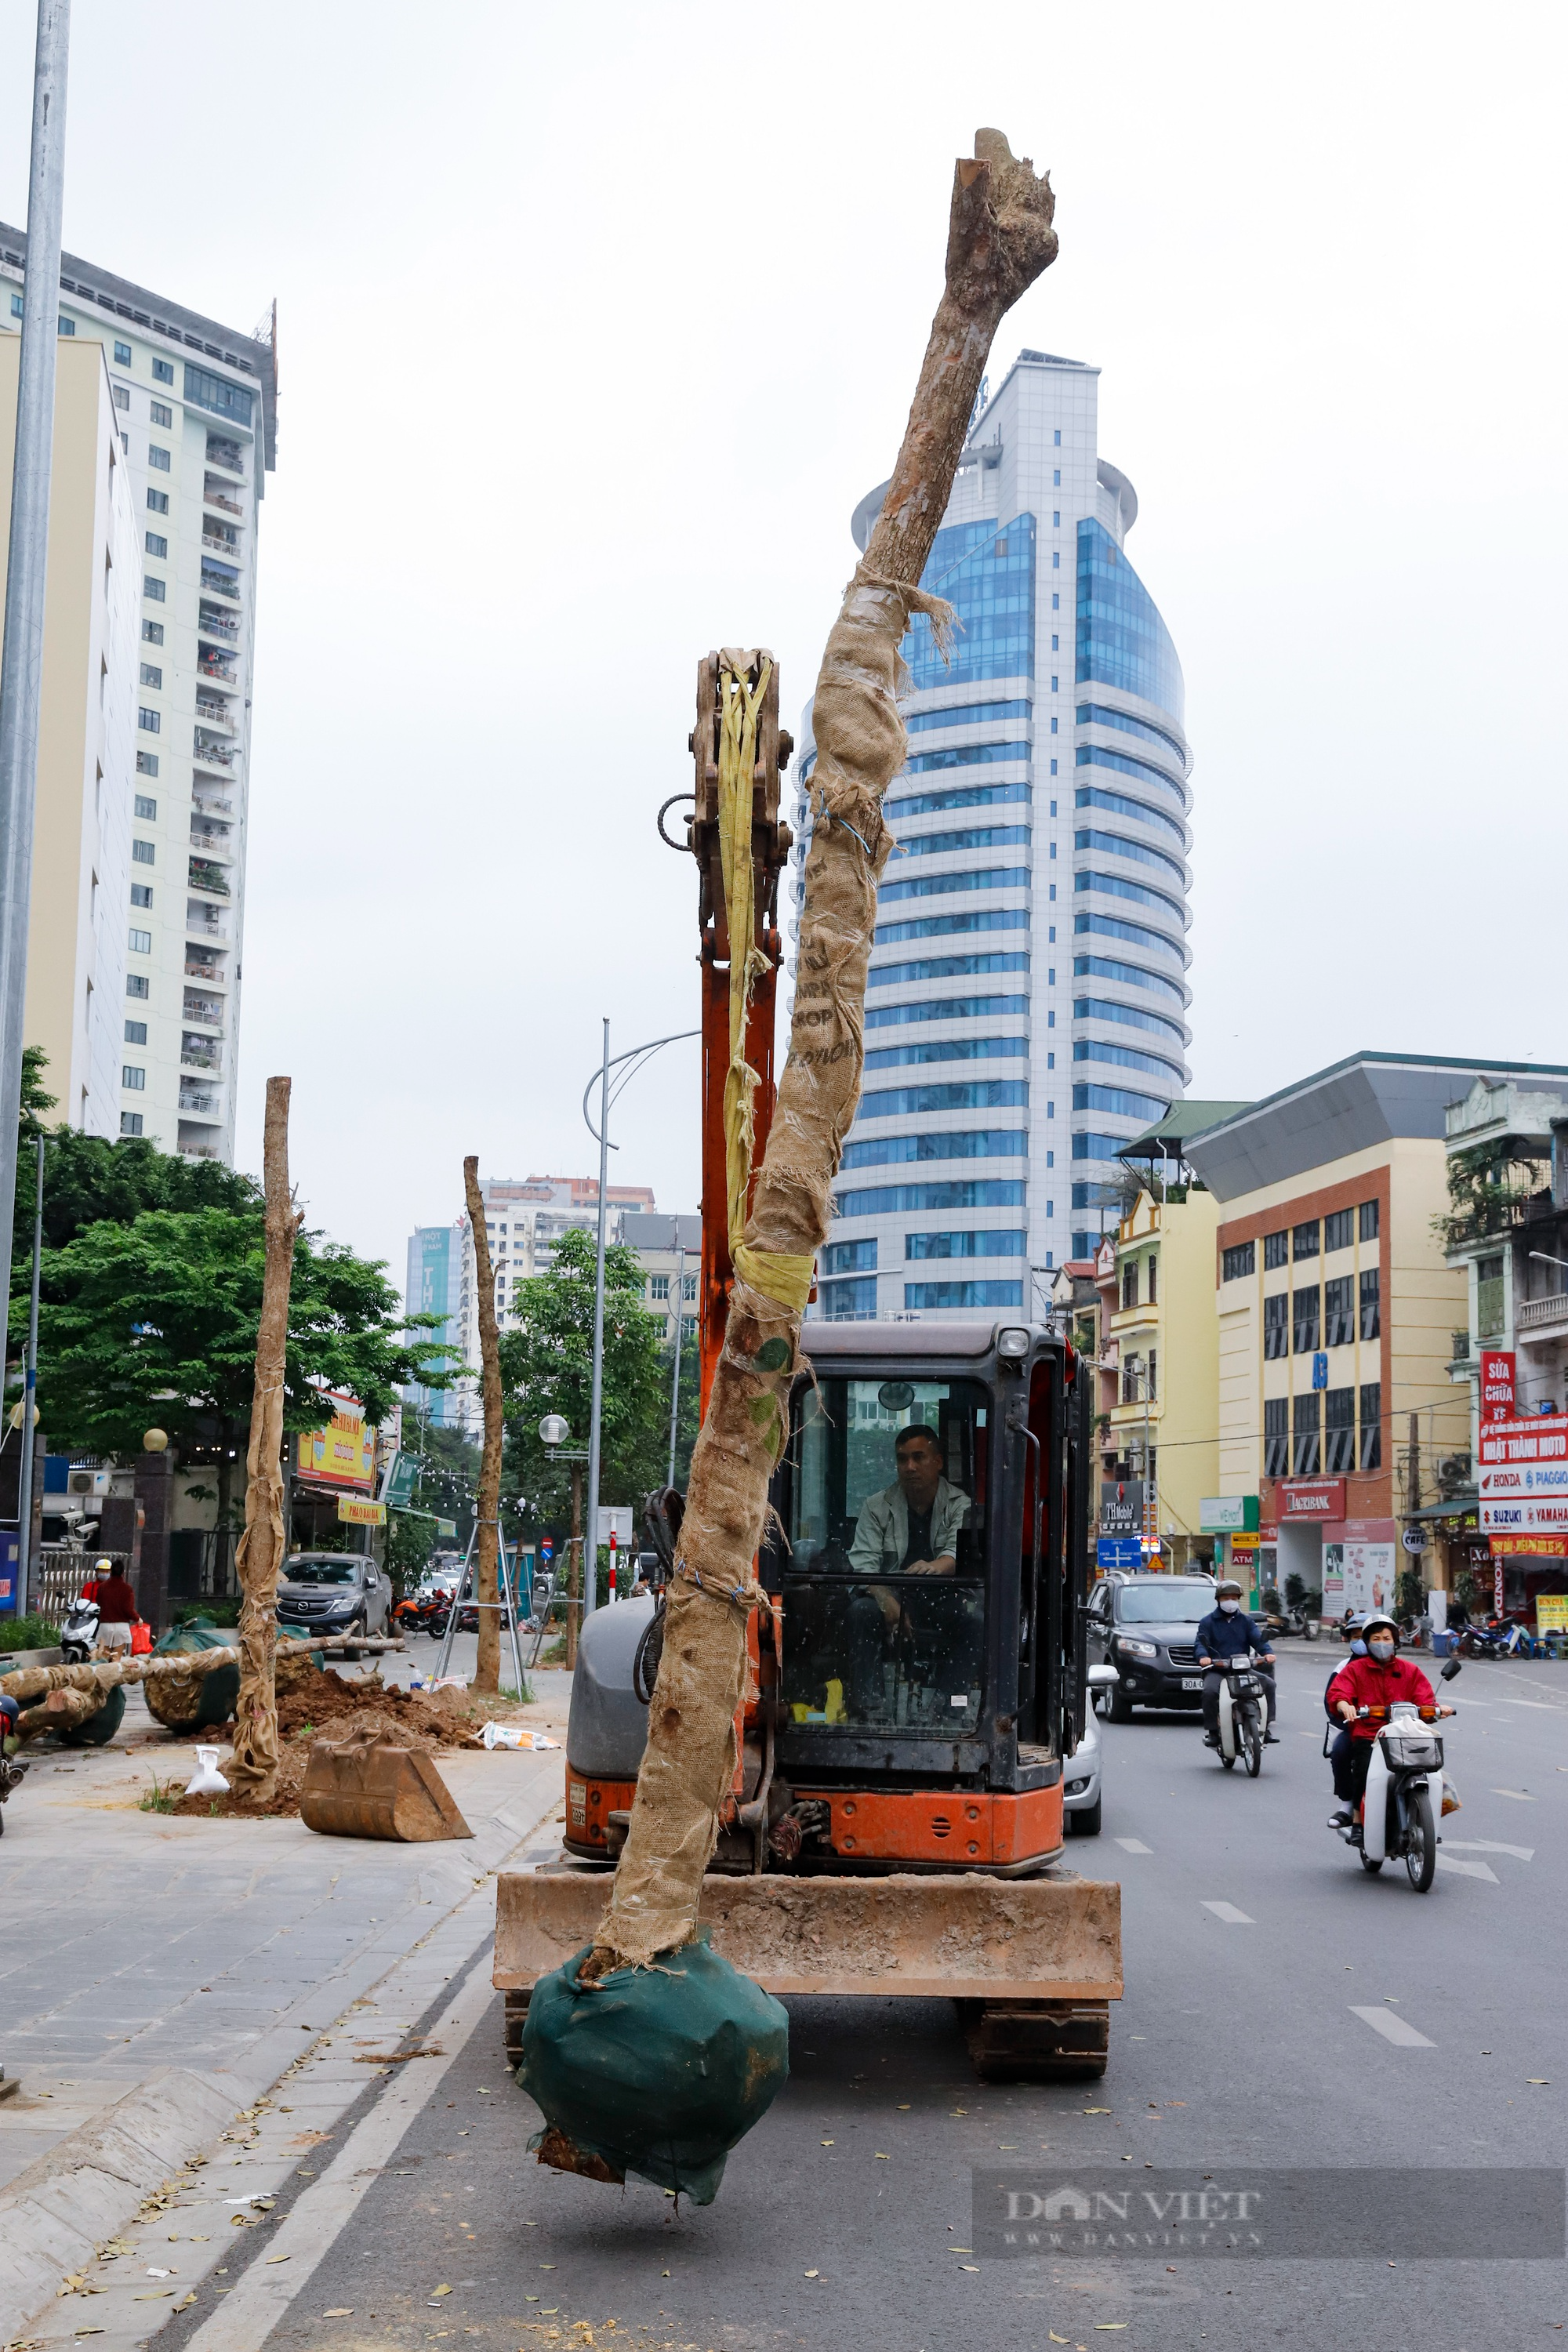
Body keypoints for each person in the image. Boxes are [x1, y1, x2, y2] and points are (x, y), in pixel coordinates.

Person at [1325, 1610, 1453, 1827]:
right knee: (1364, 1771)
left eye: (1386, 1638)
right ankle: (1357, 1819)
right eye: (1376, 1639)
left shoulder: (1410, 1670)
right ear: (1367, 1643)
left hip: (1406, 1735)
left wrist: (1436, 1710)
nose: (1382, 1643)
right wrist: (1344, 1704)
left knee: (1431, 1769)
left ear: (1395, 1641)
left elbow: (1425, 1699)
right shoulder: (1354, 1669)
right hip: (1369, 1735)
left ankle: (1427, 1821)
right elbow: (1338, 1692)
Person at [848, 1425, 970, 1577]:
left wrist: (932, 1567)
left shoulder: (959, 1505)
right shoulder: (875, 1507)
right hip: (891, 1593)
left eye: (918, 1457)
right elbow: (865, 1569)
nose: (910, 1467)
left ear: (938, 1462)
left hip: (946, 1593)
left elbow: (957, 1554)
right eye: (902, 1459)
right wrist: (888, 1600)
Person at [1194, 1578, 1279, 1745]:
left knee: (1269, 1685)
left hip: (1242, 1669)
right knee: (1209, 1692)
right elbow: (1200, 1643)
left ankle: (1265, 1727)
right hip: (1217, 1669)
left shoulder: (1246, 1622)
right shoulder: (1207, 1622)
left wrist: (1268, 1653)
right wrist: (1203, 1657)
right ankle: (1213, 1732)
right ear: (1218, 1600)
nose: (1230, 1602)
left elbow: (1258, 1640)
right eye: (1226, 1598)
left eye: (1234, 1598)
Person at [83, 1558, 140, 1655]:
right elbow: (128, 1609)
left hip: (105, 1625)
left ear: (111, 1571)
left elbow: (99, 1602)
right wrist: (137, 1618)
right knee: (116, 1658)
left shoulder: (102, 1587)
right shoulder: (127, 1589)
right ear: (123, 1572)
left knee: (103, 1658)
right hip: (122, 1627)